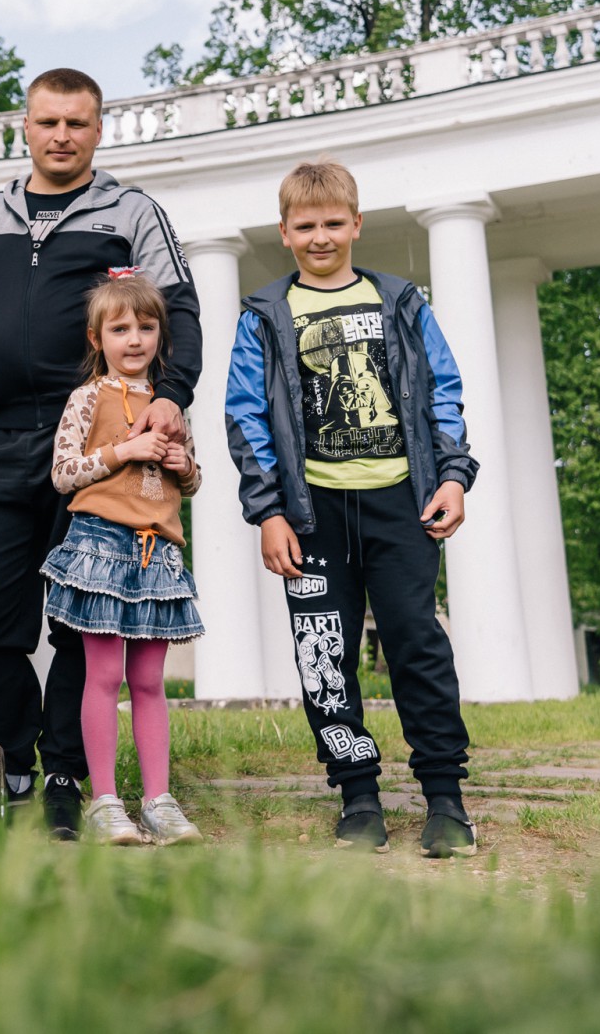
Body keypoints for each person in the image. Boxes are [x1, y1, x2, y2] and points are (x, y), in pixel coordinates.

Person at [0, 68, 201, 839]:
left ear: (99, 131)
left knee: (79, 620)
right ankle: (8, 759)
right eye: (48, 122)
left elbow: (180, 307)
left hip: (97, 445)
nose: (62, 135)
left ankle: (66, 772)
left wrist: (172, 393)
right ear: (23, 128)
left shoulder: (131, 212)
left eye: (78, 123)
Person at [224, 158, 481, 858]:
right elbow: (245, 416)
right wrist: (269, 512)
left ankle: (445, 800)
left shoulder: (400, 301)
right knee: (324, 656)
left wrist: (453, 477)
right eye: (305, 226)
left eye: (333, 223)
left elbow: (443, 392)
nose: (320, 236)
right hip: (312, 516)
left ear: (357, 224)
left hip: (400, 501)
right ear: (284, 232)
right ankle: (358, 794)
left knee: (417, 645)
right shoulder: (265, 317)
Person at [42, 272, 205, 846]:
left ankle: (158, 800)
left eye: (146, 326)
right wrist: (125, 450)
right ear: (97, 339)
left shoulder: (170, 406)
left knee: (149, 681)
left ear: (160, 334)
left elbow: (193, 482)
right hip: (101, 546)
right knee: (104, 675)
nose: (134, 339)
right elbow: (63, 473)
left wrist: (184, 466)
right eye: (120, 329)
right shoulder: (88, 398)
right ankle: (105, 800)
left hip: (158, 553)